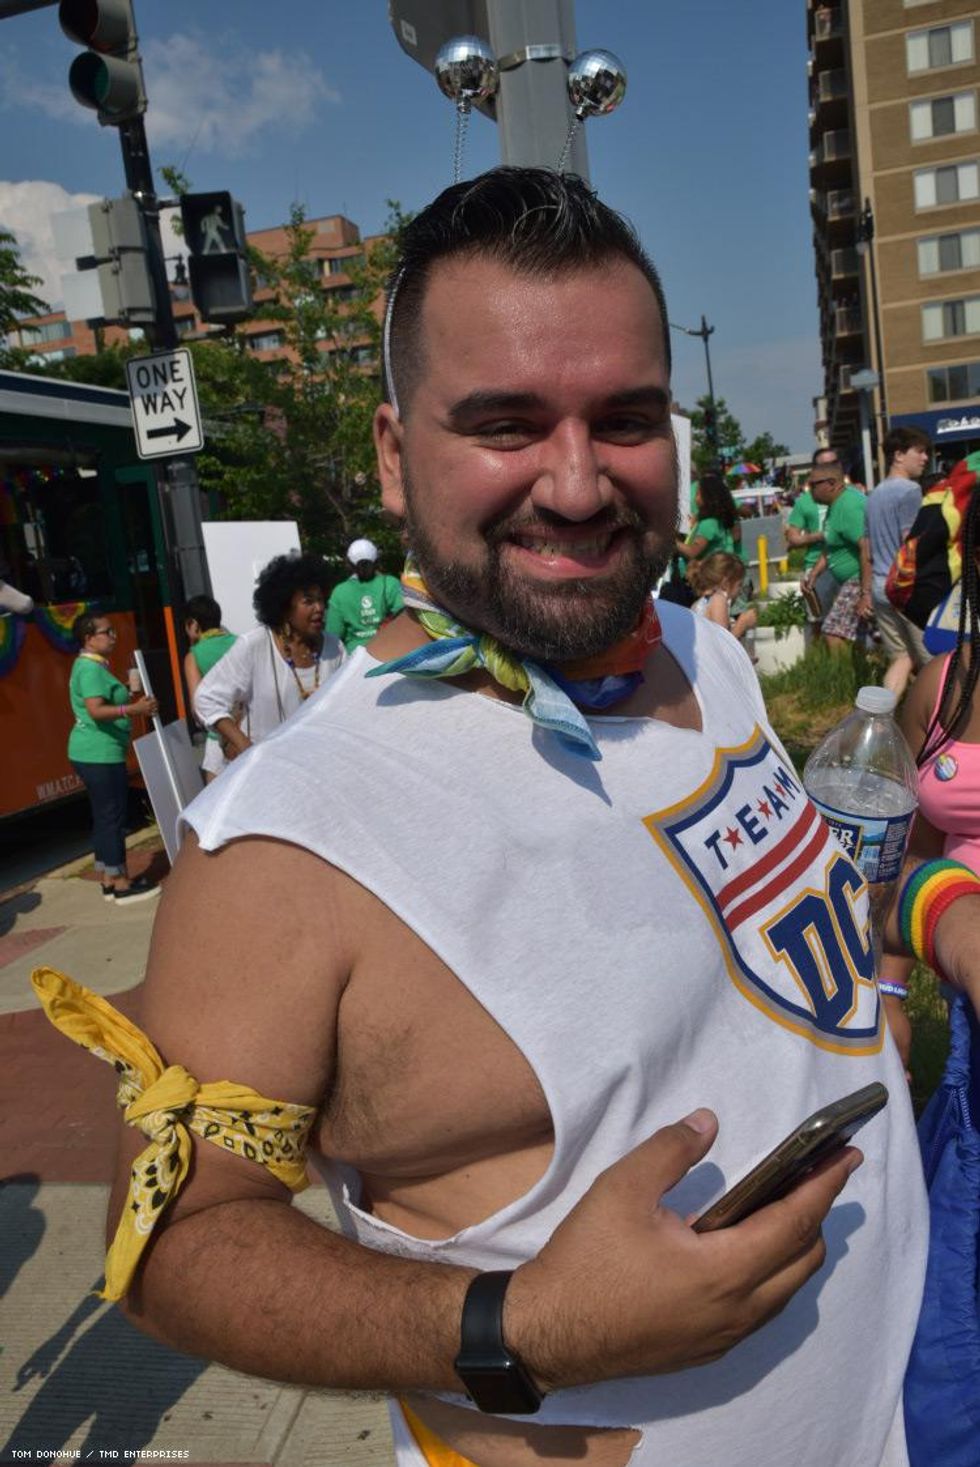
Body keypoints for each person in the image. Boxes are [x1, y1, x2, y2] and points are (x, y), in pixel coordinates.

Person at [36, 167, 980, 1467]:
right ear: (391, 453)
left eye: (628, 416)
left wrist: (930, 923)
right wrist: (520, 1319)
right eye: (506, 421)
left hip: (914, 1401)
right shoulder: (282, 849)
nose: (582, 483)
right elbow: (177, 1245)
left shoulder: (706, 652)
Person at [192, 552, 344, 758]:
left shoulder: (336, 648)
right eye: (308, 601)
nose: (319, 608)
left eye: (321, 600)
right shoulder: (255, 645)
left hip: (321, 763)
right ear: (284, 608)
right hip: (267, 772)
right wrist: (246, 748)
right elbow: (206, 699)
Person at [67, 610, 159, 904]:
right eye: (107, 632)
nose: (113, 636)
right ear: (89, 639)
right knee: (112, 818)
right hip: (99, 753)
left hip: (96, 752)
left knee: (105, 816)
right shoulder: (91, 669)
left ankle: (108, 878)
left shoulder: (90, 666)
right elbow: (96, 710)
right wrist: (132, 710)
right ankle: (121, 883)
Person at [867, 427, 932, 698]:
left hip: (880, 587)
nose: (925, 458)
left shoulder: (874, 495)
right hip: (905, 587)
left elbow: (867, 546)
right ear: (898, 455)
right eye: (919, 451)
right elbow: (912, 542)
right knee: (933, 661)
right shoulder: (909, 491)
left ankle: (883, 720)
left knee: (902, 659)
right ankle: (940, 722)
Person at [802, 457, 873, 652]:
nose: (809, 489)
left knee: (834, 633)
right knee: (863, 638)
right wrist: (814, 574)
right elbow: (831, 545)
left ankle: (842, 679)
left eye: (813, 484)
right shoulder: (835, 505)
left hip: (857, 579)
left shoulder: (848, 506)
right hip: (852, 580)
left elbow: (867, 547)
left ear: (832, 484)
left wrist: (865, 592)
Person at [181, 595, 237, 784]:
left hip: (221, 736)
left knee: (215, 801)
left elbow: (198, 709)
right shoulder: (242, 642)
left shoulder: (194, 656)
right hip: (252, 729)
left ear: (193, 624)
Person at [326, 537, 404, 652]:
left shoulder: (340, 592)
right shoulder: (391, 583)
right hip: (388, 652)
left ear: (349, 564)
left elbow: (333, 634)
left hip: (354, 659)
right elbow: (404, 615)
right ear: (376, 561)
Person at [786, 450, 833, 620]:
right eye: (825, 465)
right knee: (817, 621)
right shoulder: (805, 501)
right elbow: (792, 537)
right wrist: (821, 536)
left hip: (846, 563)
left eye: (834, 463)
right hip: (815, 566)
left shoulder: (851, 495)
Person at [687, 550, 757, 650]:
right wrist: (742, 624)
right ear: (726, 583)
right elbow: (723, 645)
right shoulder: (719, 600)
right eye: (739, 585)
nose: (740, 591)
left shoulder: (698, 604)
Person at [673, 472, 738, 569]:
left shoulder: (708, 524)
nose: (695, 498)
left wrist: (671, 540)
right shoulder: (716, 521)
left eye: (698, 493)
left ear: (709, 497)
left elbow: (692, 552)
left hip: (711, 576)